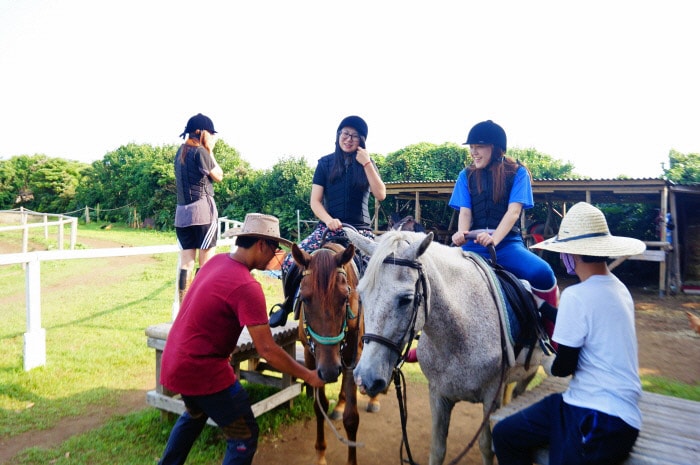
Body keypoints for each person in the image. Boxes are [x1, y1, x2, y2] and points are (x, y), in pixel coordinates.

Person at [157, 213, 325, 465]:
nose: (275, 255)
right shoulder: (247, 286)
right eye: (274, 248)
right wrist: (308, 375)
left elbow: (203, 314)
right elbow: (267, 349)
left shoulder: (215, 263)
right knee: (244, 436)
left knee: (195, 413)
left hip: (176, 361)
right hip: (202, 370)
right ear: (261, 244)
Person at [492, 202, 645, 465]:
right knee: (506, 433)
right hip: (593, 404)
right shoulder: (619, 289)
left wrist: (545, 360)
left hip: (601, 416)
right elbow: (587, 321)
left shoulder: (577, 295)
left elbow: (564, 367)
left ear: (572, 254)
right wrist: (543, 307)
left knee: (508, 438)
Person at [268, 115, 386, 327]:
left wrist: (367, 162)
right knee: (289, 261)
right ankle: (287, 305)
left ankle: (377, 319)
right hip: (329, 227)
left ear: (362, 140)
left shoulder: (368, 164)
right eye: (345, 134)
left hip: (360, 231)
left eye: (355, 136)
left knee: (382, 265)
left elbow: (381, 194)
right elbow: (315, 202)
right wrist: (329, 220)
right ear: (338, 135)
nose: (348, 139)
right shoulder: (325, 163)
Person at [450, 120, 558, 317]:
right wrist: (462, 234)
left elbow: (513, 212)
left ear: (495, 147)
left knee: (542, 273)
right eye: (471, 147)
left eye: (479, 146)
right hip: (473, 244)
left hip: (507, 244)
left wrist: (494, 239)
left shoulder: (518, 173)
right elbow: (465, 212)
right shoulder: (465, 175)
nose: (473, 152)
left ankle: (553, 336)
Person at [174, 113, 224, 303]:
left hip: (182, 216)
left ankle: (184, 309)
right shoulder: (201, 152)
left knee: (186, 263)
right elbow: (219, 175)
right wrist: (210, 150)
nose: (212, 136)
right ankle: (202, 308)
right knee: (207, 264)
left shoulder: (180, 153)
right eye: (210, 133)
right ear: (202, 133)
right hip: (203, 213)